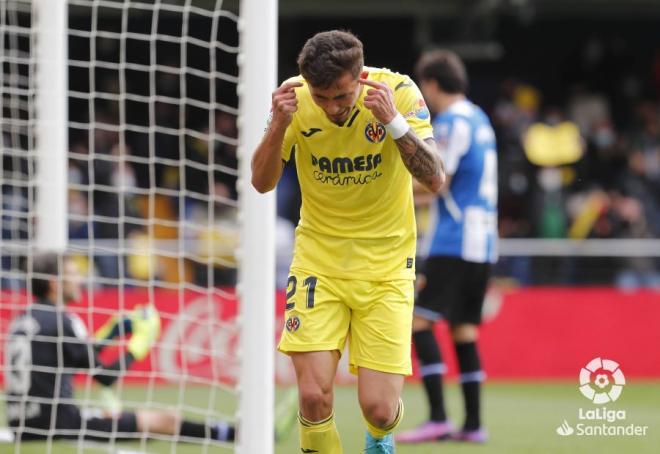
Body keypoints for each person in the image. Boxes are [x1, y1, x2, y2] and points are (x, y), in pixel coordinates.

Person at [251, 30, 445, 453]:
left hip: (387, 267)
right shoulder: (294, 100)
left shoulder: (399, 91)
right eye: (321, 98)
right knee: (313, 396)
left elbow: (434, 178)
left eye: (340, 96)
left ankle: (381, 438)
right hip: (318, 264)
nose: (332, 108)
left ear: (360, 76)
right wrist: (279, 124)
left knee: (378, 407)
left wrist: (393, 123)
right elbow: (261, 183)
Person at [4, 253, 235, 444]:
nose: (80, 280)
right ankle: (231, 435)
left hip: (21, 424)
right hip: (59, 425)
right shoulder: (63, 320)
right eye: (73, 274)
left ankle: (227, 433)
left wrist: (114, 332)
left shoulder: (23, 320)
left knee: (146, 419)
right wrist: (139, 344)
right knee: (165, 420)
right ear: (55, 283)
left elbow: (75, 360)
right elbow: (105, 377)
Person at [396, 49, 498, 444]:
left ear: (433, 84)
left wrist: (391, 193)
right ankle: (473, 424)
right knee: (464, 330)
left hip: (454, 240)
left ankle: (438, 418)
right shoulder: (480, 118)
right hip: (483, 241)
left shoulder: (454, 121)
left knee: (419, 321)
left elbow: (438, 179)